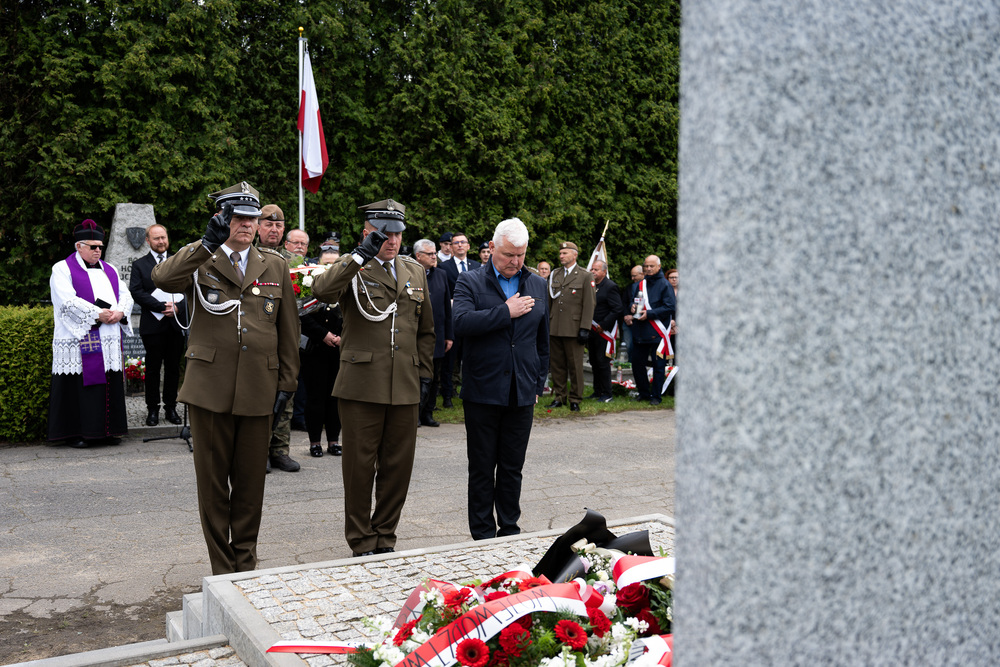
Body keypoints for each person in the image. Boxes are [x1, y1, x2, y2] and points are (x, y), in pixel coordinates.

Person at [152, 181, 300, 575]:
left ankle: (245, 564)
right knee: (214, 485)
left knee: (251, 485)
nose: (247, 224)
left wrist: (287, 384)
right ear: (221, 218)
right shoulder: (202, 256)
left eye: (252, 218)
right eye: (239, 217)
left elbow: (287, 330)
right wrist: (206, 244)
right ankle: (222, 568)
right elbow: (162, 279)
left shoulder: (274, 264)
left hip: (259, 387)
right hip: (210, 388)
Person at [311, 198, 435, 557]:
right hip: (362, 383)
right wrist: (359, 255)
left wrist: (423, 373)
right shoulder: (354, 266)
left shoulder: (414, 271)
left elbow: (426, 329)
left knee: (398, 467)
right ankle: (361, 539)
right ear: (367, 233)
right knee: (359, 467)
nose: (391, 240)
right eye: (383, 233)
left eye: (397, 234)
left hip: (404, 383)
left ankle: (384, 536)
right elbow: (322, 291)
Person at [453, 217, 549, 540]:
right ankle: (482, 535)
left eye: (521, 255)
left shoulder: (537, 284)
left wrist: (537, 382)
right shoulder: (469, 281)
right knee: (482, 468)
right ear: (492, 247)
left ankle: (509, 531)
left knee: (512, 468)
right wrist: (505, 312)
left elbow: (542, 341)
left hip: (521, 391)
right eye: (509, 254)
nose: (515, 262)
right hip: (482, 390)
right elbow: (461, 323)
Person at [48, 219, 134, 448]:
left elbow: (125, 294)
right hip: (80, 338)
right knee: (80, 386)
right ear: (79, 246)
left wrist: (120, 311)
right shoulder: (62, 268)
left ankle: (108, 431)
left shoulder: (110, 269)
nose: (98, 251)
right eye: (93, 247)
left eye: (100, 247)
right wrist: (98, 314)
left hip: (109, 337)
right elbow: (66, 301)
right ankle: (78, 433)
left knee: (108, 381)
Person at [254, 204, 301, 472]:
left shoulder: (294, 261)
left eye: (279, 225)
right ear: (258, 227)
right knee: (261, 396)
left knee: (287, 390)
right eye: (268, 224)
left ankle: (280, 450)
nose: (274, 229)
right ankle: (259, 450)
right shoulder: (249, 256)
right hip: (262, 333)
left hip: (289, 333)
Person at [129, 224, 186, 427]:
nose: (161, 242)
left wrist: (178, 307)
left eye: (163, 237)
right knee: (153, 369)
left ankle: (171, 407)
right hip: (153, 326)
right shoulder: (139, 265)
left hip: (175, 324)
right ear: (148, 241)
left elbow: (189, 289)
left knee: (173, 368)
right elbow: (136, 291)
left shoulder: (178, 261)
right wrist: (161, 307)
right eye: (156, 238)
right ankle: (152, 409)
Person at [300, 253, 343, 457]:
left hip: (339, 349)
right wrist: (323, 334)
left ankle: (334, 440)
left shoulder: (347, 283)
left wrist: (342, 337)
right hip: (315, 349)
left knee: (335, 397)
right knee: (315, 397)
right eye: (327, 263)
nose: (330, 268)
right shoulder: (308, 283)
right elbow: (301, 314)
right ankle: (315, 442)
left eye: (335, 264)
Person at [546, 241, 595, 411]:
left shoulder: (585, 275)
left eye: (565, 253)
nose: (561, 256)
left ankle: (575, 398)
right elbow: (549, 302)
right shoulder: (555, 274)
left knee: (575, 366)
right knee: (557, 365)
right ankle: (559, 396)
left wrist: (585, 327)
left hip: (574, 328)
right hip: (555, 326)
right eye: (560, 253)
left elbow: (589, 304)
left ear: (575, 255)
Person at [624, 255, 675, 405]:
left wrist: (650, 314)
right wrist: (632, 307)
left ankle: (656, 396)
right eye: (646, 266)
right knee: (637, 364)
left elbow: (670, 307)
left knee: (658, 365)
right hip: (640, 330)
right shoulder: (640, 284)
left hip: (657, 331)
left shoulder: (665, 285)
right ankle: (644, 393)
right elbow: (633, 302)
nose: (648, 269)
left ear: (659, 267)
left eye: (652, 266)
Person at [414, 238, 453, 427]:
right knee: (416, 376)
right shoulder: (409, 273)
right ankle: (414, 413)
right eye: (429, 254)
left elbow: (447, 307)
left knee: (434, 375)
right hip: (415, 335)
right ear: (418, 256)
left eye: (434, 253)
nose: (434, 256)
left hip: (437, 334)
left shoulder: (441, 275)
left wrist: (449, 335)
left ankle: (428, 412)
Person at [586, 259, 624, 402]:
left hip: (603, 331)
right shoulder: (591, 285)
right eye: (592, 269)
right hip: (591, 330)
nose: (593, 272)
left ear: (604, 271)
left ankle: (607, 393)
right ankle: (597, 391)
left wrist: (604, 324)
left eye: (596, 270)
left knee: (602, 362)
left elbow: (617, 308)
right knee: (594, 362)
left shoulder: (610, 286)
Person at [620, 265, 644, 361]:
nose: (632, 278)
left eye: (634, 276)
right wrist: (626, 316)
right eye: (631, 276)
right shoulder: (630, 287)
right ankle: (625, 365)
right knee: (627, 345)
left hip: (642, 322)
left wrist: (633, 317)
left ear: (642, 274)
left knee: (639, 348)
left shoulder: (648, 288)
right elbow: (624, 303)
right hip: (628, 322)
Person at [666, 267, 678, 361]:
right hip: (666, 324)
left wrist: (677, 323)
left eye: (676, 277)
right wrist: (669, 322)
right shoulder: (664, 292)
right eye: (671, 277)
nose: (674, 279)